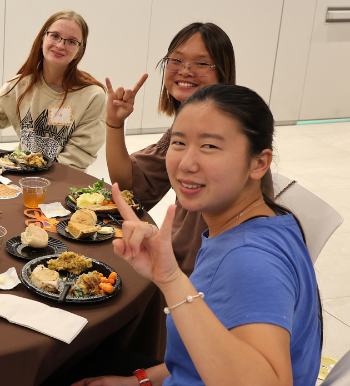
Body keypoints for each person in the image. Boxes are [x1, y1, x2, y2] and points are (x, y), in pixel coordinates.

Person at [75, 84, 321, 386]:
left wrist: (172, 280)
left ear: (259, 163)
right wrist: (137, 381)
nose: (186, 163)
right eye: (178, 143)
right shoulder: (260, 223)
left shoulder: (249, 259)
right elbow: (201, 354)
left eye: (209, 146)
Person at [105, 22, 239, 275]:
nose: (186, 71)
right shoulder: (186, 124)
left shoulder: (228, 127)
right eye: (176, 60)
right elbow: (130, 184)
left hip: (208, 268)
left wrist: (162, 252)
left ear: (223, 72)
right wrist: (114, 123)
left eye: (201, 63)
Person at [0, 10, 105, 171]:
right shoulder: (20, 85)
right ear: (42, 40)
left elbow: (74, 163)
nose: (61, 45)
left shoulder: (93, 96)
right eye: (55, 36)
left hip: (63, 183)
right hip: (21, 177)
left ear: (78, 52)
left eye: (71, 41)